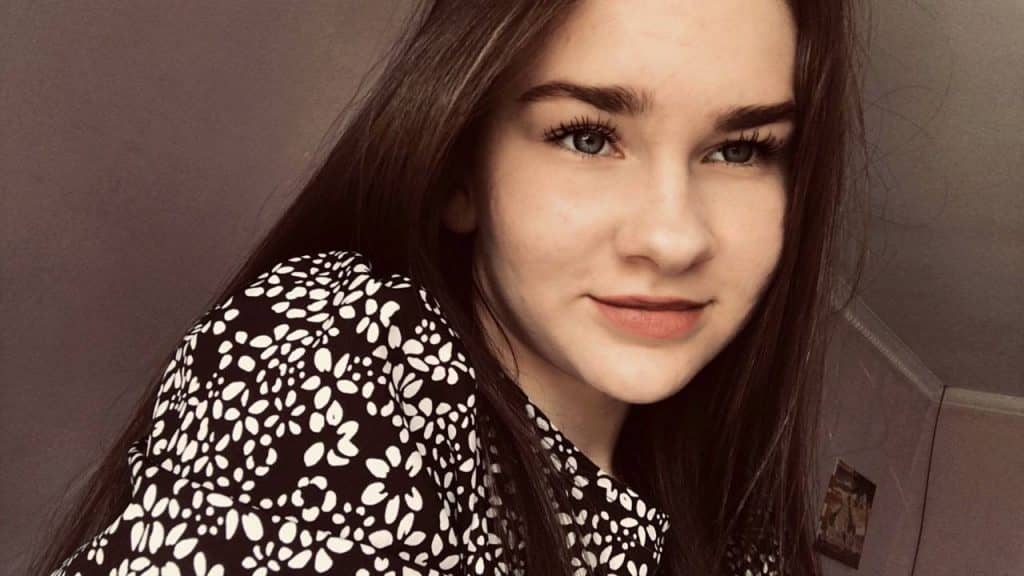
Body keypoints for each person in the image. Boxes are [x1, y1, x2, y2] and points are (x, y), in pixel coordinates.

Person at [31, 0, 866, 574]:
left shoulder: (741, 520)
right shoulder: (338, 353)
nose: (675, 239)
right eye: (586, 137)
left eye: (741, 150)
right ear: (460, 172)